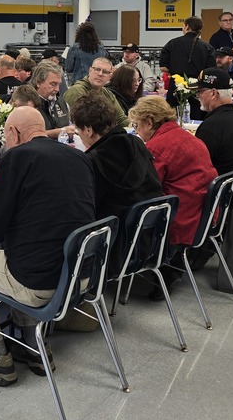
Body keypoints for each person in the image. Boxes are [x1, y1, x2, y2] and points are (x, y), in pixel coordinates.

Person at [0, 107, 95, 385]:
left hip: (39, 283)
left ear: (12, 133)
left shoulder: (17, 157)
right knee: (26, 250)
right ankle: (34, 345)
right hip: (80, 278)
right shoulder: (79, 157)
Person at [72, 92, 162, 269]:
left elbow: (86, 210)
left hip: (113, 247)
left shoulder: (93, 161)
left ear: (89, 130)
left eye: (79, 130)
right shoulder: (136, 144)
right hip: (151, 236)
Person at [129, 97, 216, 278]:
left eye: (137, 125)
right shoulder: (187, 136)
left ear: (149, 122)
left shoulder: (157, 147)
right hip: (201, 212)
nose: (136, 131)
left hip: (179, 217)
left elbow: (145, 187)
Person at [194, 69, 233, 175]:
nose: (198, 96)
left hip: (217, 185)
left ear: (213, 93)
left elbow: (194, 164)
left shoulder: (212, 126)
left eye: (200, 92)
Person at [159, 16, 215, 119]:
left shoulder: (172, 43)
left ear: (186, 26)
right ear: (200, 30)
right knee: (198, 111)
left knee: (171, 112)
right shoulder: (207, 47)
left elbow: (163, 67)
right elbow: (211, 70)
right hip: (197, 84)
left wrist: (175, 70)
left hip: (177, 82)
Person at [62, 58, 127, 125]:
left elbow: (121, 119)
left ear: (109, 76)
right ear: (90, 71)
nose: (100, 74)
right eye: (97, 69)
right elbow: (85, 122)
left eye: (105, 72)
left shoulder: (107, 93)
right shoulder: (76, 91)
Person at [31, 62, 73, 139]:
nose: (57, 89)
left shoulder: (63, 103)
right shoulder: (28, 105)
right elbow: (29, 136)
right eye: (53, 84)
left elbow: (71, 127)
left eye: (58, 85)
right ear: (38, 83)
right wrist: (60, 132)